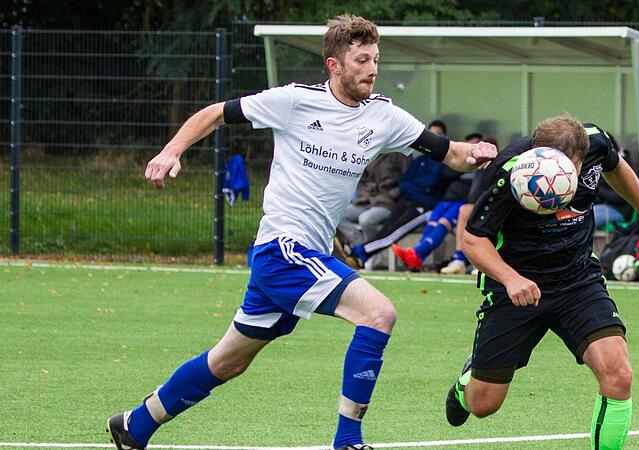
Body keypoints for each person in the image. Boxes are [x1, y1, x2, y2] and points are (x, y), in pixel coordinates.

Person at [107, 14, 496, 450]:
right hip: (282, 250)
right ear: (334, 65)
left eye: (376, 59)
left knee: (227, 362)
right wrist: (171, 151)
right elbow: (216, 113)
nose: (372, 69)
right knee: (379, 314)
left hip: (309, 255)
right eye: (362, 60)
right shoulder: (294, 101)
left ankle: (135, 424)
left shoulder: (383, 116)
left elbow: (450, 153)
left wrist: (477, 152)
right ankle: (347, 440)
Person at [443, 117, 639, 450]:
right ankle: (468, 380)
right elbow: (472, 240)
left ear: (581, 157)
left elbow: (617, 167)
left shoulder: (596, 141)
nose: (550, 174)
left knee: (619, 375)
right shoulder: (507, 169)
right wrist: (511, 280)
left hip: (577, 280)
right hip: (516, 285)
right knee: (484, 404)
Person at [348, 121, 460, 266]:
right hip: (406, 201)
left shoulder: (444, 163)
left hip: (424, 206)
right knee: (388, 229)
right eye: (431, 134)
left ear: (444, 138)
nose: (434, 138)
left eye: (438, 135)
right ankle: (362, 253)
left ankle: (361, 251)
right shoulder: (419, 160)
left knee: (396, 230)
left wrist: (419, 188)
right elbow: (405, 183)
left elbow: (432, 183)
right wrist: (417, 188)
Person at [392, 132, 484, 272]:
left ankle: (416, 253)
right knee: (432, 223)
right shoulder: (459, 164)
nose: (473, 148)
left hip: (461, 202)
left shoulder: (481, 169)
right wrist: (464, 163)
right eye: (470, 145)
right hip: (446, 200)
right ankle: (416, 259)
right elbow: (446, 174)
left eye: (476, 145)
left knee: (443, 223)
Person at [440, 135, 498, 275]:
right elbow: (474, 195)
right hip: (480, 206)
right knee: (464, 210)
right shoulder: (476, 166)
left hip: (497, 208)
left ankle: (485, 264)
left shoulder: (499, 166)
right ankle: (459, 259)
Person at [336, 151, 411, 246]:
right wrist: (366, 193)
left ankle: (372, 251)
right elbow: (361, 181)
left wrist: (393, 194)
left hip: (389, 203)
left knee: (365, 220)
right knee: (337, 213)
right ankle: (360, 246)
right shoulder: (371, 153)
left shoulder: (401, 154)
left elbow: (410, 180)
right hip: (367, 201)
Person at [593, 147, 637, 229]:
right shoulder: (599, 167)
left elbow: (621, 198)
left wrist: (596, 189)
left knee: (586, 220)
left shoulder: (621, 169)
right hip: (601, 206)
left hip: (619, 210)